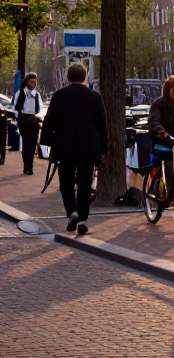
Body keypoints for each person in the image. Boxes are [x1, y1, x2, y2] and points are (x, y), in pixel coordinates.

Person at [39, 63, 108, 234]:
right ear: (85, 76)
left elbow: (49, 121)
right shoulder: (94, 97)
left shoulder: (59, 96)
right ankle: (83, 219)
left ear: (67, 77)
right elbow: (102, 125)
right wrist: (103, 149)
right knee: (85, 184)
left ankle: (72, 212)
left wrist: (46, 142)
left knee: (66, 182)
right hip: (88, 147)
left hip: (65, 147)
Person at [12, 72, 43, 175]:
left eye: (35, 82)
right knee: (26, 144)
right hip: (24, 121)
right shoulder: (20, 93)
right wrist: (20, 117)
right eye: (31, 82)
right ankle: (26, 167)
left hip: (34, 121)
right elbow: (15, 108)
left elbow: (39, 109)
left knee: (33, 144)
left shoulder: (36, 95)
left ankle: (30, 166)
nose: (33, 84)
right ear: (26, 82)